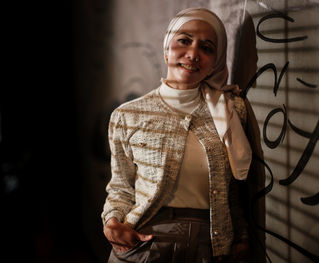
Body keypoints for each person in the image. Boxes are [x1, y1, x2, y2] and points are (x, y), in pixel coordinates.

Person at [102, 7, 264, 263]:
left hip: (210, 247)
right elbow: (121, 187)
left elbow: (233, 189)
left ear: (216, 61)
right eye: (184, 41)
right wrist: (111, 222)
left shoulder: (230, 112)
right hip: (144, 242)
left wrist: (241, 238)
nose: (192, 54)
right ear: (167, 47)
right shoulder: (127, 115)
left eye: (207, 48)